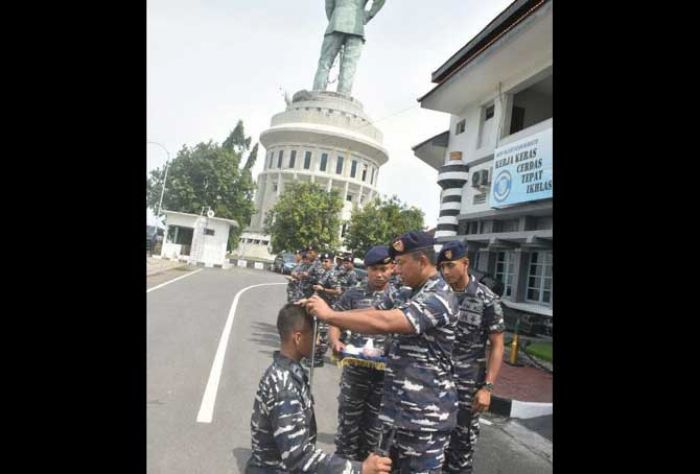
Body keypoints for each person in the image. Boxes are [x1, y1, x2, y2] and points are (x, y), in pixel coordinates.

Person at [302, 231, 458, 473]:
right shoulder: (407, 292)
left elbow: (386, 322)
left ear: (423, 262)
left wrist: (330, 315)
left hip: (424, 420)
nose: (395, 270)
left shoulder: (439, 296)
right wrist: (328, 313)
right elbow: (370, 312)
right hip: (397, 414)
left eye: (401, 263)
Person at [245, 303, 392, 474]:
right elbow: (298, 457)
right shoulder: (284, 385)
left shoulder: (289, 372)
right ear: (298, 338)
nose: (320, 341)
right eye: (315, 335)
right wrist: (360, 469)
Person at [437, 241, 505, 474]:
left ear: (466, 264)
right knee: (430, 448)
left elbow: (497, 345)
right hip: (435, 381)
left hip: (467, 388)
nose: (445, 272)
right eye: (442, 266)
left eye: (450, 266)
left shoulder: (486, 299)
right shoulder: (436, 293)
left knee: (460, 453)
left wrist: (487, 386)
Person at [327, 245, 397, 462]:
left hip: (384, 376)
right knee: (348, 427)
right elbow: (334, 319)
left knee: (375, 432)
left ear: (392, 268)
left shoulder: (400, 296)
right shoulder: (354, 293)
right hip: (356, 372)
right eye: (374, 269)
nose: (379, 274)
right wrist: (335, 341)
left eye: (384, 269)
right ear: (366, 270)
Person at [312, 0, 387, 96]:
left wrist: (334, 19)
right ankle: (343, 97)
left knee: (325, 63)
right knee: (349, 66)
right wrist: (369, 14)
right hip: (356, 26)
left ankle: (316, 95)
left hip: (336, 22)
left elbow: (329, 5)